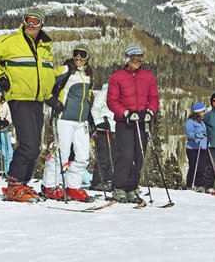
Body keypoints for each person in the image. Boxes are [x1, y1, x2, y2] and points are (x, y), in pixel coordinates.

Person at [0, 7, 56, 202]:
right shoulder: (11, 41)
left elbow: (46, 74)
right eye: (28, 20)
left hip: (38, 100)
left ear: (41, 24)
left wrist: (50, 95)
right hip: (19, 98)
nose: (31, 25)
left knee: (36, 147)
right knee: (29, 144)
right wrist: (1, 76)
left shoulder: (45, 47)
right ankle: (14, 185)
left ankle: (23, 183)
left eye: (35, 22)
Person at [107, 44, 160, 203]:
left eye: (139, 59)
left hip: (142, 120)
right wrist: (126, 113)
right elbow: (112, 101)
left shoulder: (148, 76)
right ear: (127, 59)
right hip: (125, 122)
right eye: (134, 59)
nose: (137, 61)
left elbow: (154, 98)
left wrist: (150, 111)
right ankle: (119, 187)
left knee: (139, 154)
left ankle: (132, 187)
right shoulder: (117, 77)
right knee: (126, 155)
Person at [42, 43, 94, 202]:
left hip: (81, 121)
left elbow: (88, 98)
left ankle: (72, 187)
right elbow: (46, 81)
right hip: (64, 118)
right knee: (62, 154)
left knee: (83, 156)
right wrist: (53, 102)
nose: (78, 58)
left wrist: (90, 118)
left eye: (82, 55)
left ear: (88, 58)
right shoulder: (65, 70)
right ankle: (50, 186)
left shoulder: (89, 75)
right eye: (76, 54)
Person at [89, 83, 115, 192]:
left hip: (115, 128)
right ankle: (98, 181)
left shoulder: (119, 93)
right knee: (104, 156)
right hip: (103, 129)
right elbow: (95, 109)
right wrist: (99, 122)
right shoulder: (104, 93)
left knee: (113, 156)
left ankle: (108, 180)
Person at [185, 102, 208, 191]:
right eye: (202, 111)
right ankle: (190, 184)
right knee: (194, 166)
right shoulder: (190, 122)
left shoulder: (201, 122)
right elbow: (190, 133)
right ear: (198, 112)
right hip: (193, 148)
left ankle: (199, 185)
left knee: (202, 167)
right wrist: (198, 136)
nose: (203, 113)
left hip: (202, 148)